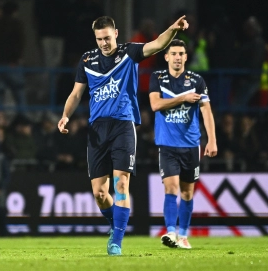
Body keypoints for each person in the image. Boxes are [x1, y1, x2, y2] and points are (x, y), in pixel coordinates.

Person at [57, 15, 189, 256]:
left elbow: (158, 44)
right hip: (97, 129)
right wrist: (65, 115)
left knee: (121, 183)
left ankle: (116, 241)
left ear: (116, 33)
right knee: (99, 193)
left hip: (123, 126)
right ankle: (115, 225)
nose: (104, 43)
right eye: (99, 39)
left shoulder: (129, 53)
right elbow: (76, 93)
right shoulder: (87, 59)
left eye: (107, 38)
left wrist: (172, 29)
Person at [148, 39, 217, 249]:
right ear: (166, 57)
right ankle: (170, 233)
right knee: (171, 188)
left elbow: (206, 111)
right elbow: (155, 105)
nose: (178, 57)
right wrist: (183, 98)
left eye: (181, 54)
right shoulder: (157, 77)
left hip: (191, 145)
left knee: (187, 193)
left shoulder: (197, 80)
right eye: (174, 53)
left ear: (186, 57)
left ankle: (184, 236)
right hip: (167, 145)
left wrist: (212, 140)